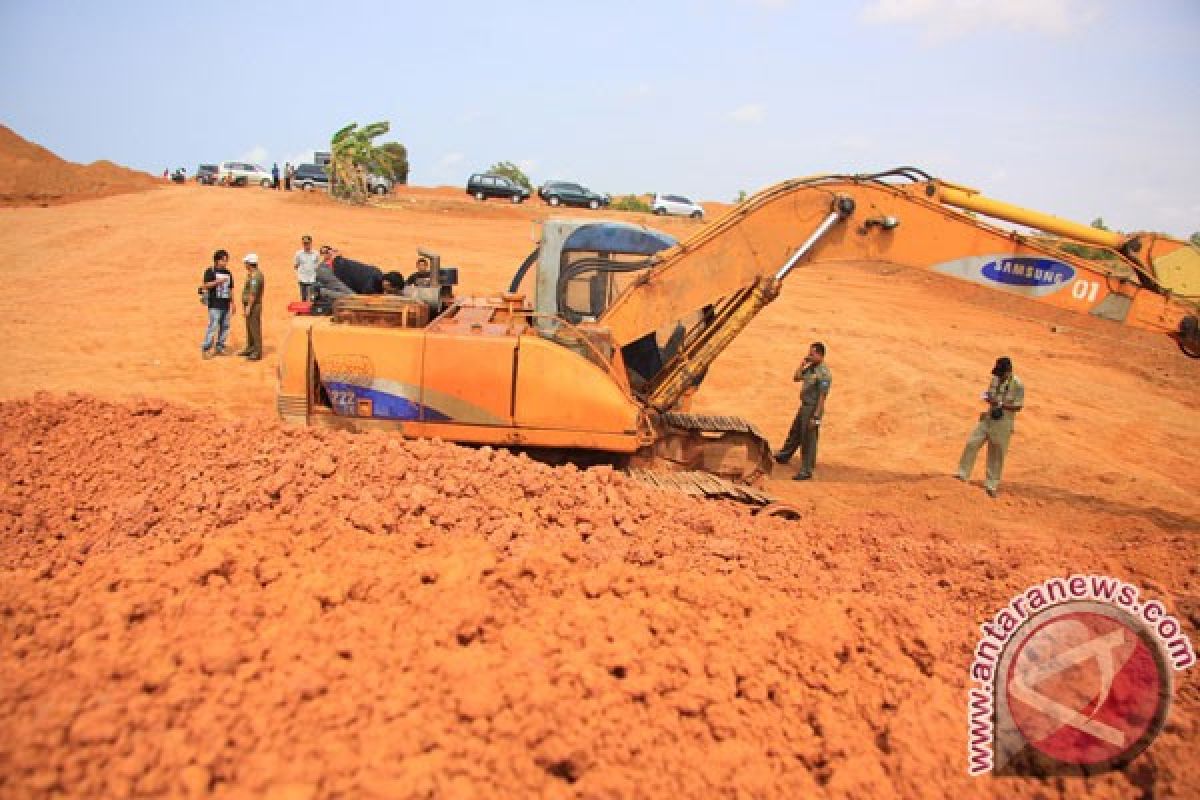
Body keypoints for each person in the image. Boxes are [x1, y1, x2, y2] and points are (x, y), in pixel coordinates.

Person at [956, 356, 1025, 497]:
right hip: (988, 418)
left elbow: (1018, 406)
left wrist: (1001, 405)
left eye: (1001, 373)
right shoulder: (995, 379)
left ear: (1009, 371)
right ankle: (962, 475)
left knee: (996, 454)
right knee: (971, 443)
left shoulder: (1018, 384)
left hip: (1004, 422)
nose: (998, 376)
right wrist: (989, 399)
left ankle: (991, 485)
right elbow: (989, 394)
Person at [775, 342, 832, 481]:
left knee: (808, 439)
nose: (809, 356)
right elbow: (796, 377)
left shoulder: (824, 374)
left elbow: (822, 398)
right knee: (795, 432)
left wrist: (816, 417)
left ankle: (806, 470)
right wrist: (802, 364)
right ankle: (784, 455)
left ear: (820, 355)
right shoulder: (811, 368)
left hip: (813, 409)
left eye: (812, 354)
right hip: (804, 406)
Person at [200, 249, 235, 358]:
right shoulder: (210, 271)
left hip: (225, 304)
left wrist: (233, 303)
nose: (225, 263)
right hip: (214, 304)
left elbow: (230, 288)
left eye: (226, 260)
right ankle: (206, 349)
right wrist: (217, 282)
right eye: (223, 260)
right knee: (213, 326)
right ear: (217, 261)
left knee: (225, 326)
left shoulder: (228, 273)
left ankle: (220, 346)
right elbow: (205, 286)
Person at [237, 253, 265, 361]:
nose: (245, 265)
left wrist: (248, 307)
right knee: (249, 327)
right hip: (250, 305)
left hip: (253, 306)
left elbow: (253, 293)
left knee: (254, 328)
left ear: (249, 264)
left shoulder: (255, 276)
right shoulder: (252, 274)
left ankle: (257, 352)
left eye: (246, 263)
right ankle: (250, 347)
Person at [294, 234, 319, 301]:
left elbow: (317, 265)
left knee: (312, 297)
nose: (306, 245)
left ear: (311, 243)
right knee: (304, 297)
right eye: (304, 243)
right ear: (302, 244)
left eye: (307, 243)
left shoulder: (316, 253)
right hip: (302, 278)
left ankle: (311, 311)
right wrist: (300, 274)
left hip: (312, 278)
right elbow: (296, 265)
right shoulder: (298, 254)